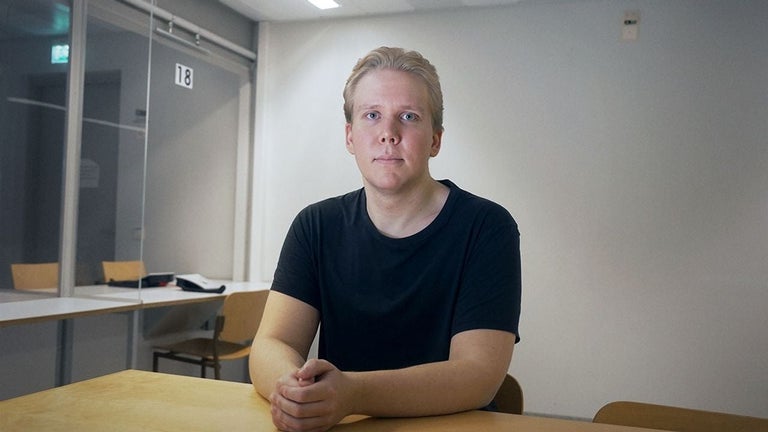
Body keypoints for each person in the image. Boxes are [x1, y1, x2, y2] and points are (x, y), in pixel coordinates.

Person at [249, 46, 521, 432]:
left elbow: (478, 374)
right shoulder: (315, 226)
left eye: (408, 117)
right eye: (372, 115)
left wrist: (352, 394)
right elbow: (272, 343)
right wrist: (292, 389)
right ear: (350, 136)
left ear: (435, 140)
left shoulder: (487, 227)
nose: (388, 134)